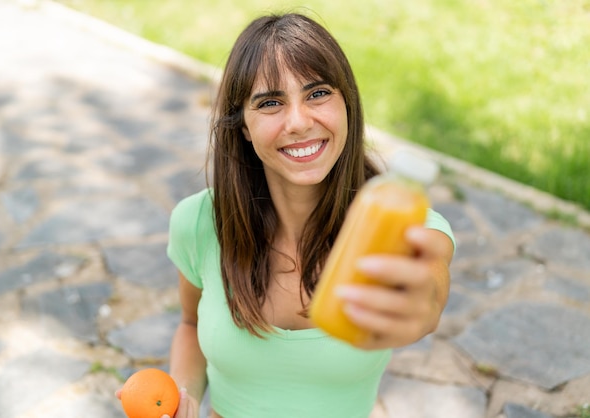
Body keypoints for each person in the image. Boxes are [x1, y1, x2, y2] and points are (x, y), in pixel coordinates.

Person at [118, 12, 454, 418]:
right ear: (242, 125)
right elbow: (190, 325)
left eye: (317, 94)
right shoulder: (199, 222)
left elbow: (429, 292)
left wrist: (423, 307)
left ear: (347, 103)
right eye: (271, 103)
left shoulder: (403, 229)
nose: (298, 122)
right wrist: (179, 402)